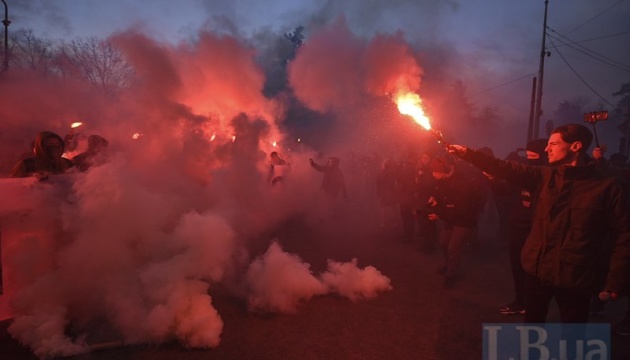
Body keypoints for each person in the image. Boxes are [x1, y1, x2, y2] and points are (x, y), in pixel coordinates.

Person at [447, 123, 630, 323]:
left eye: (553, 144)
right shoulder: (544, 176)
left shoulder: (608, 186)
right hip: (537, 271)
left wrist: (615, 279)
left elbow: (623, 235)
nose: (546, 149)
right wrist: (468, 154)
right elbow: (505, 167)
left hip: (576, 276)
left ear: (576, 146)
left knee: (573, 334)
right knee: (532, 326)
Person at [488, 138, 548, 315]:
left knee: (534, 270)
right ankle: (520, 301)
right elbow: (503, 191)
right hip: (517, 227)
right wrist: (492, 179)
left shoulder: (548, 177)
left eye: (534, 156)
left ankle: (533, 305)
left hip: (537, 230)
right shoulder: (523, 174)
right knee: (517, 266)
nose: (530, 160)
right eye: (528, 156)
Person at [427, 156, 477, 288]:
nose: (433, 174)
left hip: (463, 219)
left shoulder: (459, 183)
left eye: (435, 171)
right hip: (449, 217)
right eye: (432, 171)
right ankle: (449, 265)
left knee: (453, 247)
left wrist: (438, 215)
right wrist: (435, 198)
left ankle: (451, 274)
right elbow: (442, 195)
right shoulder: (442, 180)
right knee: (443, 242)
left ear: (443, 171)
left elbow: (459, 208)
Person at [375, 158, 399, 230]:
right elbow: (395, 184)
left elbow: (378, 185)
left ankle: (383, 223)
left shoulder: (380, 174)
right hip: (391, 193)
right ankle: (395, 222)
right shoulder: (394, 174)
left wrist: (378, 194)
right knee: (394, 208)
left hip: (384, 194)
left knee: (383, 209)